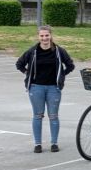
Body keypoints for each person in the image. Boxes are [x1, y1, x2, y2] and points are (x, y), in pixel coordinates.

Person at [15, 25, 75, 153]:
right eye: (42, 36)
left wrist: (61, 75)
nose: (44, 38)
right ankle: (38, 144)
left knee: (53, 116)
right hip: (36, 88)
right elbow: (19, 64)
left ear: (51, 36)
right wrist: (28, 73)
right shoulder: (32, 51)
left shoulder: (59, 51)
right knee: (38, 115)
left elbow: (70, 65)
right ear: (38, 37)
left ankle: (54, 143)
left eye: (47, 35)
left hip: (54, 88)